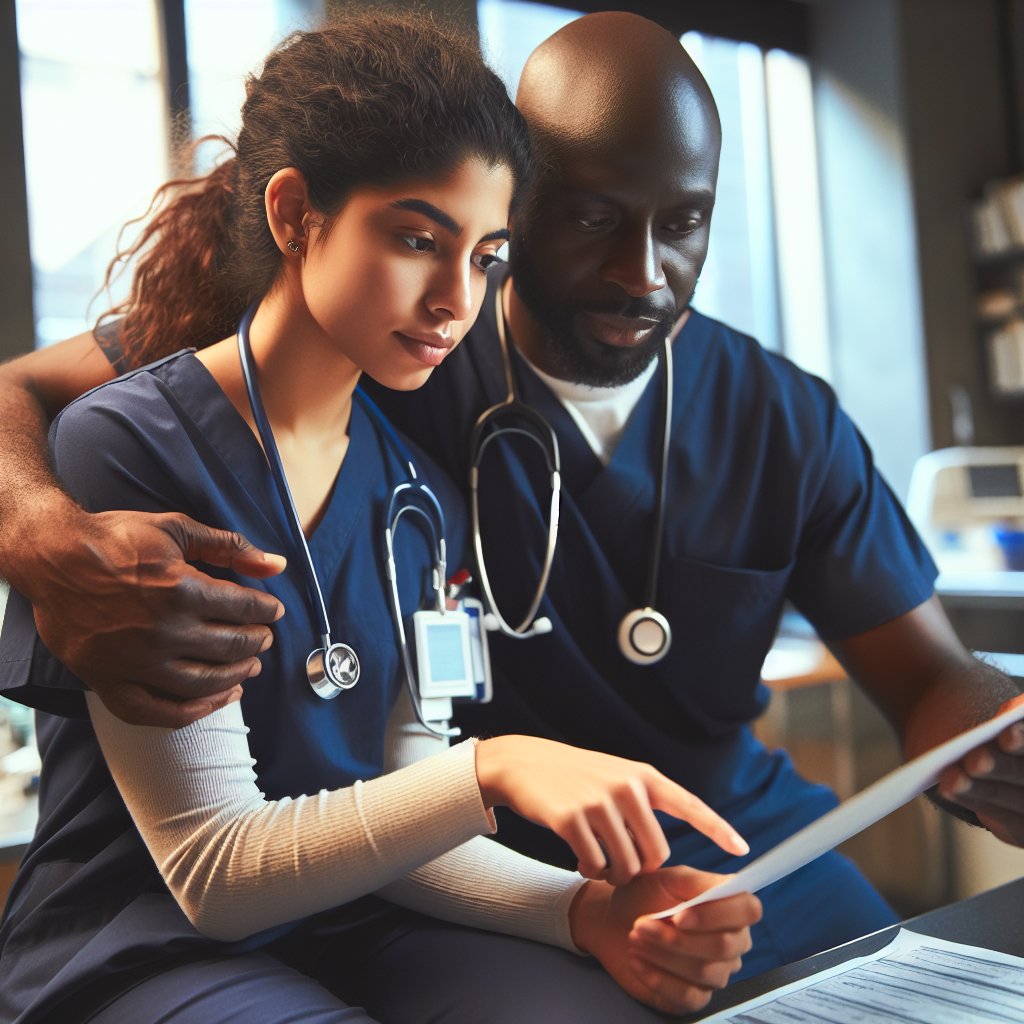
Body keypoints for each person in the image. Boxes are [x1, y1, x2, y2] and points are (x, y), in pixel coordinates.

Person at [0, 7, 1021, 988]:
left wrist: (991, 732)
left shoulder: (782, 417)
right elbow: (26, 392)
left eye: (686, 223)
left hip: (733, 840)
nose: (645, 273)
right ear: (516, 206)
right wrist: (41, 534)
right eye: (591, 219)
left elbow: (929, 679)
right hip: (477, 852)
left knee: (908, 983)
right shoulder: (390, 346)